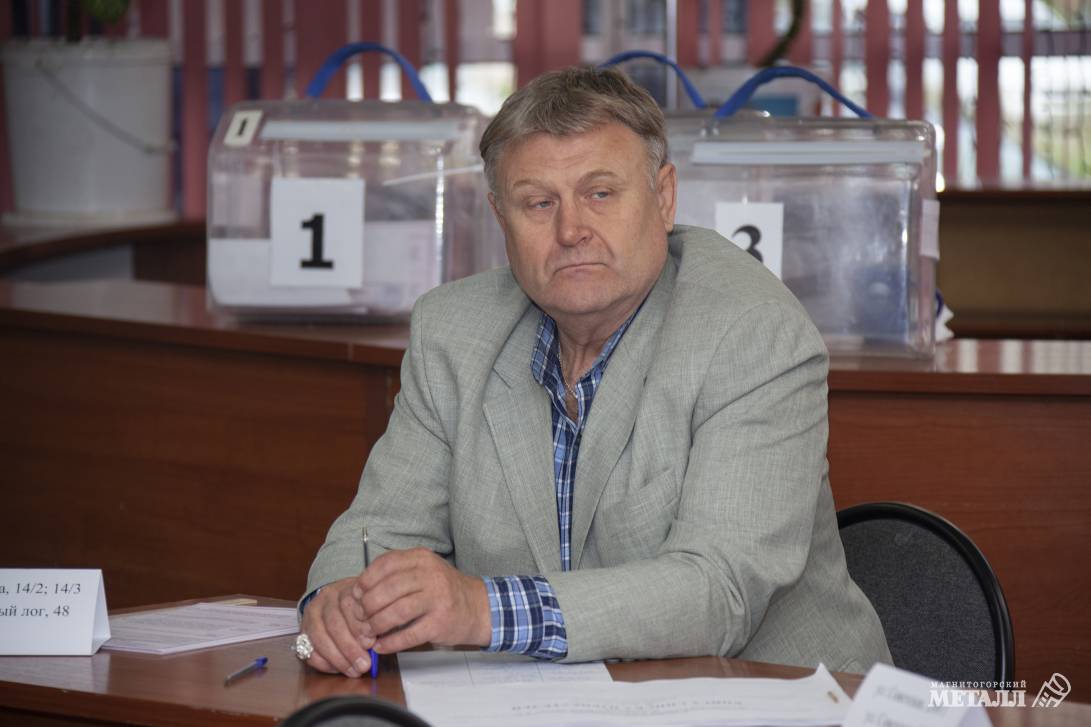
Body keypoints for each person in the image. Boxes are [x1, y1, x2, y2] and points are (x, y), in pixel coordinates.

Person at [295, 65, 890, 678]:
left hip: (774, 696)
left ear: (663, 197)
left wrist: (481, 609)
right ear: (501, 218)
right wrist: (337, 602)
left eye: (600, 194)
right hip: (541, 704)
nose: (571, 230)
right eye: (539, 203)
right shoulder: (452, 332)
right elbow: (376, 531)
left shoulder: (752, 332)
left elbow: (720, 591)